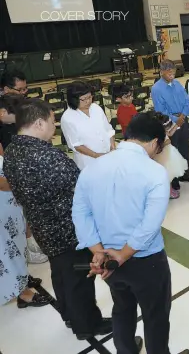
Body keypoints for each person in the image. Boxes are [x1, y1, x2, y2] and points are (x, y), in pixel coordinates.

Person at [72, 112, 189, 354]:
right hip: (146, 261)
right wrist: (123, 254)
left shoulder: (92, 169)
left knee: (122, 306)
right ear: (155, 143)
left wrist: (98, 252)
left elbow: (80, 214)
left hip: (108, 260)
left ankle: (125, 350)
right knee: (155, 314)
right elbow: (150, 224)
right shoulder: (155, 172)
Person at [3, 98, 111, 340]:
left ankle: (70, 315)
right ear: (39, 123)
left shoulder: (11, 151)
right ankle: (87, 325)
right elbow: (82, 190)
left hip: (42, 226)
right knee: (79, 279)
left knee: (61, 274)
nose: (55, 128)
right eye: (53, 122)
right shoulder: (48, 157)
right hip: (67, 228)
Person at [0, 146, 51, 308]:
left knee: (17, 246)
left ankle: (21, 277)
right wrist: (25, 182)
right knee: (7, 251)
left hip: (10, 207)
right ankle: (22, 293)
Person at [0, 95, 48, 264]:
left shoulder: (12, 127)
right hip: (7, 186)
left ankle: (28, 244)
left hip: (12, 182)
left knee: (23, 216)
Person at [152, 59, 189, 189]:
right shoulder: (157, 89)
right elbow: (160, 110)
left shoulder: (177, 83)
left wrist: (183, 115)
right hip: (169, 124)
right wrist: (174, 119)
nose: (172, 75)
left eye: (173, 72)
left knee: (184, 147)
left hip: (182, 120)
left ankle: (186, 174)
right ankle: (174, 180)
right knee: (172, 151)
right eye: (168, 72)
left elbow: (186, 100)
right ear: (162, 72)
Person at [61, 81, 116, 170]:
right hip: (88, 161)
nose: (88, 101)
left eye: (90, 97)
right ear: (74, 99)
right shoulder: (68, 118)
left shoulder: (96, 108)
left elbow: (108, 129)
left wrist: (112, 147)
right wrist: (97, 155)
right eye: (84, 99)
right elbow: (76, 145)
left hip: (108, 156)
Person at [152, 113, 188, 200]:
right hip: (162, 154)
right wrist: (166, 143)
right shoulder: (155, 134)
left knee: (170, 174)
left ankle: (170, 189)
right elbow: (160, 144)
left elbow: (170, 133)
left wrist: (177, 125)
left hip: (169, 152)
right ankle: (167, 191)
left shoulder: (163, 131)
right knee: (165, 173)